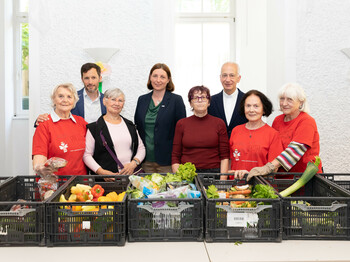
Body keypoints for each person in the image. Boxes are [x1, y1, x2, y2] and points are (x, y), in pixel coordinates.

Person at [246, 83, 322, 180]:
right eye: (282, 99)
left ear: (301, 102)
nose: (284, 103)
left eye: (290, 99)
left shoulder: (306, 121)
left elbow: (295, 151)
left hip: (305, 179)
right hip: (283, 179)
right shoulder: (277, 120)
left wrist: (269, 167)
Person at [134, 63, 186, 173]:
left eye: (162, 77)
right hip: (145, 160)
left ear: (168, 80)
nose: (158, 80)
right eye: (155, 76)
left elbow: (182, 132)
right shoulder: (142, 100)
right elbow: (138, 127)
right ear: (150, 77)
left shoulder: (176, 100)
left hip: (167, 161)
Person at [83, 88, 145, 180]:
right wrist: (101, 172)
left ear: (123, 104)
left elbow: (141, 148)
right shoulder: (94, 128)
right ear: (104, 101)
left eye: (120, 100)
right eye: (113, 99)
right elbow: (87, 155)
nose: (116, 103)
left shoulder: (130, 125)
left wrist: (133, 164)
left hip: (132, 178)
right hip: (107, 181)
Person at [221, 90, 283, 180]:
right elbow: (230, 161)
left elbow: (274, 169)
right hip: (235, 188)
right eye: (248, 106)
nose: (251, 110)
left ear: (264, 109)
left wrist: (250, 174)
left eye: (256, 106)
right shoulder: (236, 131)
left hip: (261, 187)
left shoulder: (273, 134)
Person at [32, 83, 87, 176]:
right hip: (55, 183)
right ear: (54, 99)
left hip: (80, 184)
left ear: (74, 101)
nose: (65, 100)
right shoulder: (44, 124)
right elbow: (39, 159)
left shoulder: (81, 122)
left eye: (69, 97)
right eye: (60, 96)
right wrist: (42, 169)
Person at [172, 85, 229, 173]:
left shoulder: (219, 123)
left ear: (209, 102)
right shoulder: (181, 124)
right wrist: (181, 179)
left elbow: (224, 156)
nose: (200, 100)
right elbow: (175, 156)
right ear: (190, 103)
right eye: (195, 98)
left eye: (203, 97)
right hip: (187, 173)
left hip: (214, 173)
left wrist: (222, 180)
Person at [35, 63, 106, 125]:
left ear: (100, 78)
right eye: (86, 78)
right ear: (82, 79)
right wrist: (40, 120)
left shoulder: (107, 100)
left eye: (93, 78)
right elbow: (56, 116)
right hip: (77, 138)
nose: (90, 82)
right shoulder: (71, 98)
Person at [208, 62, 248, 138]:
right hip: (217, 147)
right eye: (224, 75)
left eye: (232, 75)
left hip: (241, 146)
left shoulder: (247, 100)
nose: (227, 79)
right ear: (220, 78)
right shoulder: (211, 101)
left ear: (239, 78)